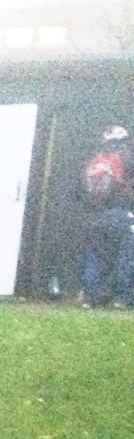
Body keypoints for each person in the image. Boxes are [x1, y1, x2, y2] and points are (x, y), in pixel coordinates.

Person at [79, 124, 134, 308]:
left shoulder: (94, 161)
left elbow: (83, 191)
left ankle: (90, 297)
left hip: (95, 216)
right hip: (120, 213)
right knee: (126, 256)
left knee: (95, 257)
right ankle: (122, 298)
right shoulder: (126, 158)